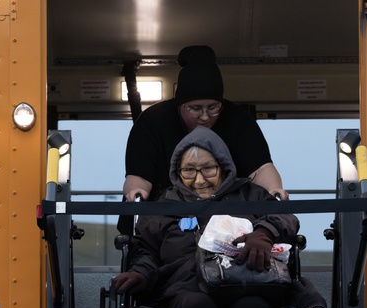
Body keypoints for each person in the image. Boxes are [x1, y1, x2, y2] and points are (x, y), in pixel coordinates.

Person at [113, 126, 298, 308]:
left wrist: (263, 233)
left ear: (223, 167)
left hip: (241, 284)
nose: (199, 179)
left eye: (208, 169)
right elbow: (146, 251)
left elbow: (287, 217)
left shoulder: (249, 195)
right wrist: (140, 274)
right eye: (189, 171)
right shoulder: (164, 205)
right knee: (197, 305)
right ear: (177, 171)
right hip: (184, 289)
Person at [123, 45, 288, 203]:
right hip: (161, 217)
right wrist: (138, 192)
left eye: (213, 108)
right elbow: (138, 176)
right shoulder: (152, 121)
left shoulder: (238, 119)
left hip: (228, 218)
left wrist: (273, 191)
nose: (204, 116)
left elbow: (260, 168)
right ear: (179, 104)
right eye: (195, 109)